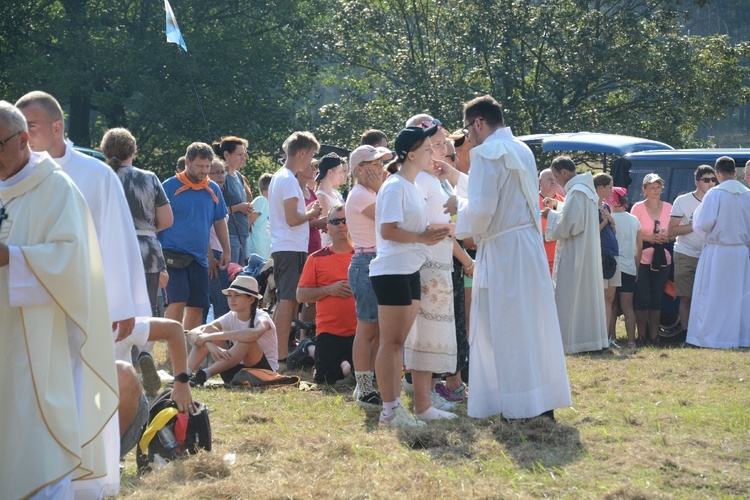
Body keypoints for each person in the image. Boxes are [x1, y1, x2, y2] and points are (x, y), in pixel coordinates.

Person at [17, 91, 150, 497]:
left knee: (87, 385)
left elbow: (116, 239)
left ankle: (91, 478)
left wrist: (124, 304)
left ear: (58, 128)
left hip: (86, 307)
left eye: (32, 128)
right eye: (19, 130)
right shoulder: (16, 176)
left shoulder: (94, 175)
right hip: (32, 303)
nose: (24, 138)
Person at [0, 100, 118, 499]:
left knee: (37, 430)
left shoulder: (56, 188)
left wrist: (13, 258)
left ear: (22, 140)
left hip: (40, 338)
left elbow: (74, 262)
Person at [445, 95, 571, 420]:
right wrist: (455, 177)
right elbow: (496, 191)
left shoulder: (485, 152)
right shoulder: (520, 148)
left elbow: (484, 207)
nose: (468, 137)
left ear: (478, 123)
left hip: (504, 250)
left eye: (467, 129)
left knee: (508, 326)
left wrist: (457, 210)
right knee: (532, 324)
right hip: (527, 244)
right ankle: (540, 401)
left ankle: (517, 405)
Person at [370, 125, 450, 427]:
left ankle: (395, 409)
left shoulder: (413, 186)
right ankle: (389, 411)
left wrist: (428, 234)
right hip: (391, 271)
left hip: (409, 269)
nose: (433, 153)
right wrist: (422, 237)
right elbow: (387, 230)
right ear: (412, 154)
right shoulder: (395, 186)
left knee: (397, 343)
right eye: (428, 149)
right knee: (390, 343)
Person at [100, 127, 173, 318]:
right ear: (133, 151)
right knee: (145, 308)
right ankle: (142, 348)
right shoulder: (149, 178)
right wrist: (146, 229)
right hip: (146, 250)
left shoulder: (99, 178)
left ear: (105, 151)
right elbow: (167, 219)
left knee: (111, 306)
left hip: (109, 249)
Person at [159, 142, 230, 332]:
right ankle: (170, 345)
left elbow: (219, 221)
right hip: (172, 253)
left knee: (198, 304)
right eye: (200, 166)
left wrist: (226, 250)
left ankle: (188, 347)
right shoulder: (169, 186)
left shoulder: (213, 189)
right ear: (188, 163)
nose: (204, 171)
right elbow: (156, 221)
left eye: (207, 166)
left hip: (199, 257)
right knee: (177, 301)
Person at [544, 156, 608, 354]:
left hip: (576, 252)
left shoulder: (577, 191)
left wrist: (550, 215)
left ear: (564, 172)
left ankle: (573, 341)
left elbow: (571, 224)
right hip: (584, 249)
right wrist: (558, 206)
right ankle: (588, 338)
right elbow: (576, 214)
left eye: (555, 176)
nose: (555, 181)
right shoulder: (583, 190)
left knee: (570, 293)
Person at [269, 131, 322, 363]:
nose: (311, 160)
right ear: (301, 153)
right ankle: (280, 353)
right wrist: (312, 213)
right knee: (288, 300)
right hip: (289, 247)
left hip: (286, 246)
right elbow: (292, 218)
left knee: (287, 299)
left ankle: (277, 349)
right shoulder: (289, 179)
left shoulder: (281, 177)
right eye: (311, 155)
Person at [686, 156, 750, 348]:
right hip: (740, 252)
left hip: (718, 251)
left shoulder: (714, 194)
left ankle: (710, 337)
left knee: (712, 295)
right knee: (740, 296)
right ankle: (740, 337)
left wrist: (708, 236)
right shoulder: (747, 194)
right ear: (736, 173)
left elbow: (701, 223)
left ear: (717, 173)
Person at [345, 144, 390, 407]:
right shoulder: (362, 194)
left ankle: (369, 384)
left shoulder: (367, 193)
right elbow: (390, 217)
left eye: (380, 164)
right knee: (368, 327)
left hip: (373, 260)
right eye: (373, 165)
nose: (380, 169)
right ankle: (363, 388)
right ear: (359, 170)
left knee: (378, 328)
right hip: (367, 261)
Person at [292, 205, 357, 385]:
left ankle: (312, 348)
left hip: (362, 333)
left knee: (364, 378)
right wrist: (329, 289)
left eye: (346, 221)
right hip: (329, 332)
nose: (341, 225)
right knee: (326, 380)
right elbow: (301, 295)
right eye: (335, 221)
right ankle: (309, 347)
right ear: (327, 227)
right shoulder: (316, 258)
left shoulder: (363, 255)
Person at [187, 275, 279, 384]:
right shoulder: (231, 315)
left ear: (251, 299)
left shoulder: (262, 317)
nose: (232, 299)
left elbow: (254, 334)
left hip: (262, 374)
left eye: (237, 295)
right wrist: (209, 344)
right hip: (233, 371)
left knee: (247, 342)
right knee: (210, 328)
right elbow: (192, 333)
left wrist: (212, 337)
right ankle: (184, 374)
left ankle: (204, 374)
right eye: (229, 295)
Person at [668, 165, 716, 333]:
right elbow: (672, 231)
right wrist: (696, 224)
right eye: (706, 180)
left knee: (708, 298)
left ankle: (705, 334)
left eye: (713, 179)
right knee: (686, 297)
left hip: (710, 254)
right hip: (685, 253)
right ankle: (686, 335)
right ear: (697, 182)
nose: (711, 183)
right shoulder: (682, 201)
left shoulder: (718, 199)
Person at [630, 173, 673, 345]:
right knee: (642, 297)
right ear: (644, 190)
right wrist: (648, 239)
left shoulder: (669, 207)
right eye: (652, 187)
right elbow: (633, 233)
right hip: (643, 258)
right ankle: (641, 335)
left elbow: (674, 233)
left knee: (656, 298)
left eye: (658, 187)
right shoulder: (638, 208)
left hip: (663, 257)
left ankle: (655, 336)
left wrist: (667, 239)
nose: (656, 190)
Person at [607, 188, 642, 348]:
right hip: (629, 267)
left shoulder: (608, 218)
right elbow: (639, 247)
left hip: (612, 266)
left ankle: (612, 338)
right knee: (628, 306)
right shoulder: (634, 219)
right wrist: (637, 267)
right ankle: (631, 341)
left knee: (611, 304)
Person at [213, 137, 253, 265]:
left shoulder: (239, 177)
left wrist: (246, 208)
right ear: (226, 155)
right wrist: (239, 207)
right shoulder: (220, 178)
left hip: (243, 235)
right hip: (229, 236)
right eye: (240, 154)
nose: (244, 157)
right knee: (231, 275)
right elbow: (216, 210)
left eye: (244, 154)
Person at [593, 173, 621, 348]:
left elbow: (613, 231)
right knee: (601, 296)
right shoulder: (590, 206)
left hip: (613, 252)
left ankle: (607, 335)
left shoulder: (607, 207)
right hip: (601, 254)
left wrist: (611, 221)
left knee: (610, 296)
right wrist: (604, 222)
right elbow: (591, 233)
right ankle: (599, 336)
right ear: (600, 187)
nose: (611, 190)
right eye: (610, 187)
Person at [207, 158, 232, 321]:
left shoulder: (218, 194)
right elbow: (203, 230)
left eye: (222, 171)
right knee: (219, 301)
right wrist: (210, 256)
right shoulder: (207, 194)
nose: (220, 175)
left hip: (220, 252)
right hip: (212, 254)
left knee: (223, 301)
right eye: (215, 172)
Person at [315, 153, 347, 247]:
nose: (342, 176)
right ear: (330, 172)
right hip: (328, 246)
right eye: (340, 172)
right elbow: (327, 227)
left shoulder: (335, 195)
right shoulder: (321, 197)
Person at [539, 168, 565, 275]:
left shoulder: (564, 201)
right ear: (539, 182)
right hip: (540, 258)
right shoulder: (531, 202)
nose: (553, 181)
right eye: (549, 179)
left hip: (560, 258)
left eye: (555, 178)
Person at [247, 172, 273, 260]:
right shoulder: (261, 200)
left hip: (265, 251)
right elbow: (248, 222)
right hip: (256, 250)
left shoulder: (272, 205)